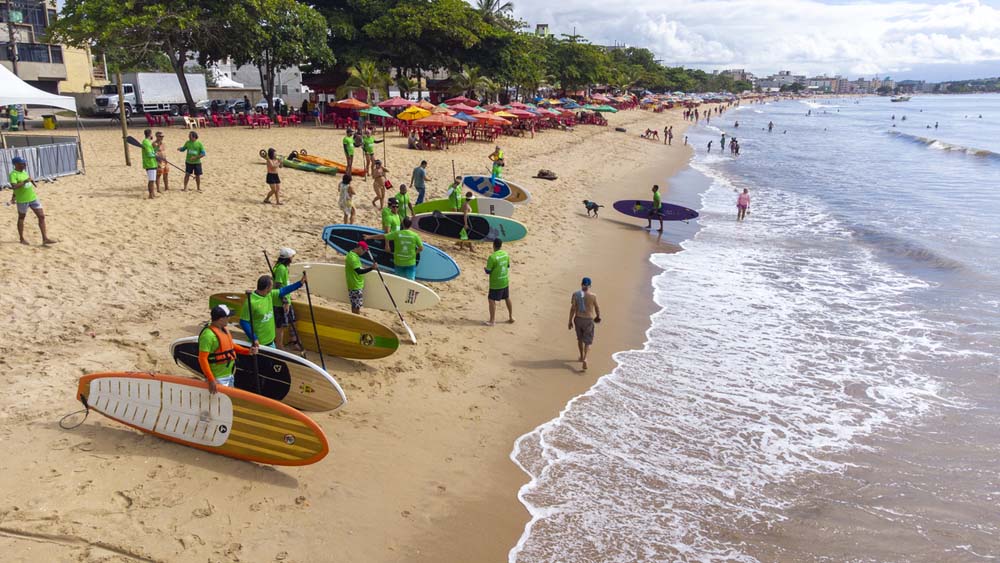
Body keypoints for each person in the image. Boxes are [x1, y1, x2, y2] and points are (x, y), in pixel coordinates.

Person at [198, 305, 256, 394]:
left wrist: (247, 351)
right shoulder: (208, 336)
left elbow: (230, 346)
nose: (229, 319)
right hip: (218, 379)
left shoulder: (223, 329)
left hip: (229, 375)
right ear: (221, 319)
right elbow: (202, 359)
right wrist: (211, 379)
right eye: (228, 317)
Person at [240, 273, 305, 348]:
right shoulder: (250, 302)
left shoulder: (269, 294)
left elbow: (283, 290)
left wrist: (300, 283)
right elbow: (244, 322)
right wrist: (254, 338)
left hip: (271, 342)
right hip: (259, 344)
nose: (273, 287)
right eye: (272, 285)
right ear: (267, 288)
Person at [7, 156, 56, 245]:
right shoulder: (13, 174)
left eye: (24, 163)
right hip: (22, 200)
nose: (24, 165)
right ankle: (21, 239)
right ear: (16, 164)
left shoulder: (24, 172)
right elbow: (14, 187)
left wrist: (30, 181)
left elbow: (25, 182)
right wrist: (25, 182)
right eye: (22, 163)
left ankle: (45, 238)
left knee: (41, 216)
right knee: (21, 218)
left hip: (33, 198)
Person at [271, 247, 302, 351]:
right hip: (280, 302)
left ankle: (295, 342)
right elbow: (278, 285)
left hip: (286, 299)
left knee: (292, 320)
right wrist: (284, 301)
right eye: (292, 257)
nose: (293, 259)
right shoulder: (280, 268)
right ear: (288, 258)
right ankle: (279, 345)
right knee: (280, 325)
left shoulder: (283, 267)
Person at [568, 277, 601, 371]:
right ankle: (585, 358)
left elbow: (573, 308)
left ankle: (581, 356)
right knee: (588, 341)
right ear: (590, 285)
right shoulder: (593, 296)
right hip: (588, 320)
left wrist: (570, 321)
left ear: (581, 284)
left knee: (580, 339)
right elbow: (597, 308)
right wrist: (598, 316)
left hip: (578, 319)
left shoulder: (575, 294)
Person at [484, 239, 513, 326]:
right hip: (504, 280)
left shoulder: (492, 257)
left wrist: (485, 269)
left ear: (493, 245)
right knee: (507, 298)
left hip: (496, 283)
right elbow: (507, 266)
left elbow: (488, 271)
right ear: (501, 245)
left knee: (491, 300)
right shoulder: (506, 254)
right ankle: (511, 317)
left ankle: (492, 320)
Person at [345, 240, 376, 314]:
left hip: (356, 284)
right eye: (363, 250)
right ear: (359, 247)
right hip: (355, 286)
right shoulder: (353, 258)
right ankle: (356, 320)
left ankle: (354, 319)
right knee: (356, 307)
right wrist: (372, 268)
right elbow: (359, 271)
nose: (363, 253)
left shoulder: (353, 255)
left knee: (355, 305)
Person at [140, 128, 158, 199]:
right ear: (150, 134)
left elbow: (152, 152)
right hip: (150, 163)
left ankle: (152, 194)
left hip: (152, 163)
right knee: (151, 180)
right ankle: (151, 195)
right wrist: (156, 155)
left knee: (152, 180)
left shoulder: (148, 142)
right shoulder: (146, 143)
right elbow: (149, 154)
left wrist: (156, 148)